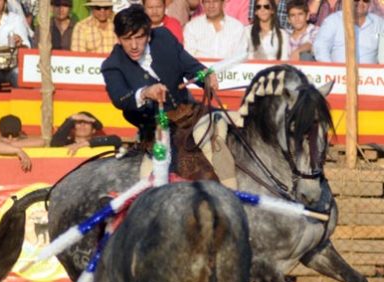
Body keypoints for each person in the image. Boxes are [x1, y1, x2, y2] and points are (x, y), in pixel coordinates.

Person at [101, 5, 222, 181]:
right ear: (118, 39)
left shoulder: (164, 38)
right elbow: (120, 99)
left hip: (189, 112)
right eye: (127, 39)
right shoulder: (112, 65)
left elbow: (190, 66)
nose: (134, 45)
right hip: (156, 128)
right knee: (177, 169)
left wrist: (206, 77)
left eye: (139, 37)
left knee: (231, 130)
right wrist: (144, 92)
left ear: (148, 35)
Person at [313, 0, 384, 63]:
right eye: (356, 0)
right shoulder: (333, 21)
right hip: (337, 75)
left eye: (365, 0)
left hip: (372, 77)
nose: (361, 3)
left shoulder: (380, 24)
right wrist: (331, 70)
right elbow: (320, 47)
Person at [183, 0, 248, 58]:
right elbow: (189, 57)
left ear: (224, 3)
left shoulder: (237, 27)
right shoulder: (192, 27)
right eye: (207, 2)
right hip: (200, 70)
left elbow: (240, 57)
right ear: (202, 4)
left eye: (215, 1)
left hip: (229, 70)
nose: (211, 6)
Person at [50, 112, 122, 155]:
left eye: (87, 122)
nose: (82, 125)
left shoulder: (99, 143)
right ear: (72, 130)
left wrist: (83, 144)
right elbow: (54, 145)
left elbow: (116, 140)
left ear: (93, 130)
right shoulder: (65, 144)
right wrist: (71, 119)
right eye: (79, 122)